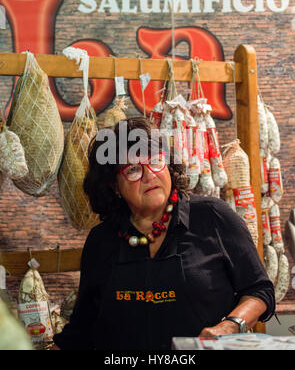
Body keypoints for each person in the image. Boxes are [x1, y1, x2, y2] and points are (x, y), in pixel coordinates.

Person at [53, 117, 275, 350]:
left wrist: (231, 325)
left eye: (156, 161)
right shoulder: (101, 241)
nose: (149, 175)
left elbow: (259, 290)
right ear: (114, 186)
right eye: (133, 169)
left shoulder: (212, 216)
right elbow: (81, 328)